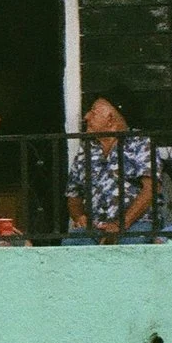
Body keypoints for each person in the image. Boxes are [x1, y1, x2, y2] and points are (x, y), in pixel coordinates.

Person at [66, 94, 157, 244]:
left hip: (136, 224)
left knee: (130, 249)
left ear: (110, 119)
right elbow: (73, 194)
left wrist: (122, 223)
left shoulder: (140, 143)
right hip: (95, 227)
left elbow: (151, 188)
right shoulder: (86, 149)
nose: (86, 117)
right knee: (72, 244)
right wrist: (79, 217)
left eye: (93, 112)